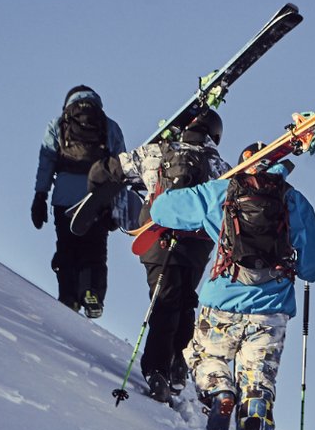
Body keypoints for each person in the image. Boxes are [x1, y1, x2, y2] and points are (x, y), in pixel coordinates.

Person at [145, 146, 315, 430]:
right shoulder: (294, 201)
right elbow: (314, 267)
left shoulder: (221, 191)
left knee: (203, 356)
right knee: (258, 386)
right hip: (271, 315)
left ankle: (219, 392)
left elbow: (161, 210)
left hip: (223, 303)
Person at [86, 108, 228, 405]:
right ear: (215, 136)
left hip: (157, 237)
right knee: (185, 300)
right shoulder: (219, 166)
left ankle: (157, 370)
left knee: (164, 300)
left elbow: (108, 169)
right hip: (196, 245)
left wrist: (97, 195)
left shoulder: (158, 152)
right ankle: (177, 362)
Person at [32, 85, 126, 317]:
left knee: (67, 247)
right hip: (97, 197)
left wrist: (40, 195)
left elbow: (47, 161)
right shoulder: (109, 126)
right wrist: (117, 208)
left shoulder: (58, 124)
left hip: (65, 196)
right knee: (95, 249)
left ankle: (68, 297)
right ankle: (92, 292)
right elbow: (122, 167)